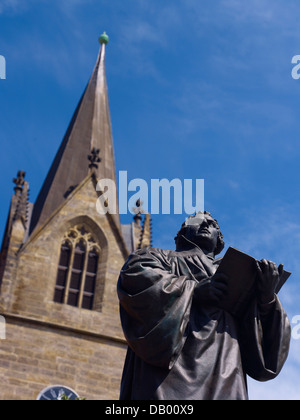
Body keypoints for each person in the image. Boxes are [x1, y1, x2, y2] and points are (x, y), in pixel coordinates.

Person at [117, 211, 291, 400]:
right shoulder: (157, 257)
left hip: (225, 366)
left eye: (212, 224)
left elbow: (265, 346)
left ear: (219, 241)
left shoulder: (238, 273)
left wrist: (266, 297)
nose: (205, 224)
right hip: (168, 373)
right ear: (181, 234)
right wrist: (193, 290)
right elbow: (135, 277)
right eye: (197, 221)